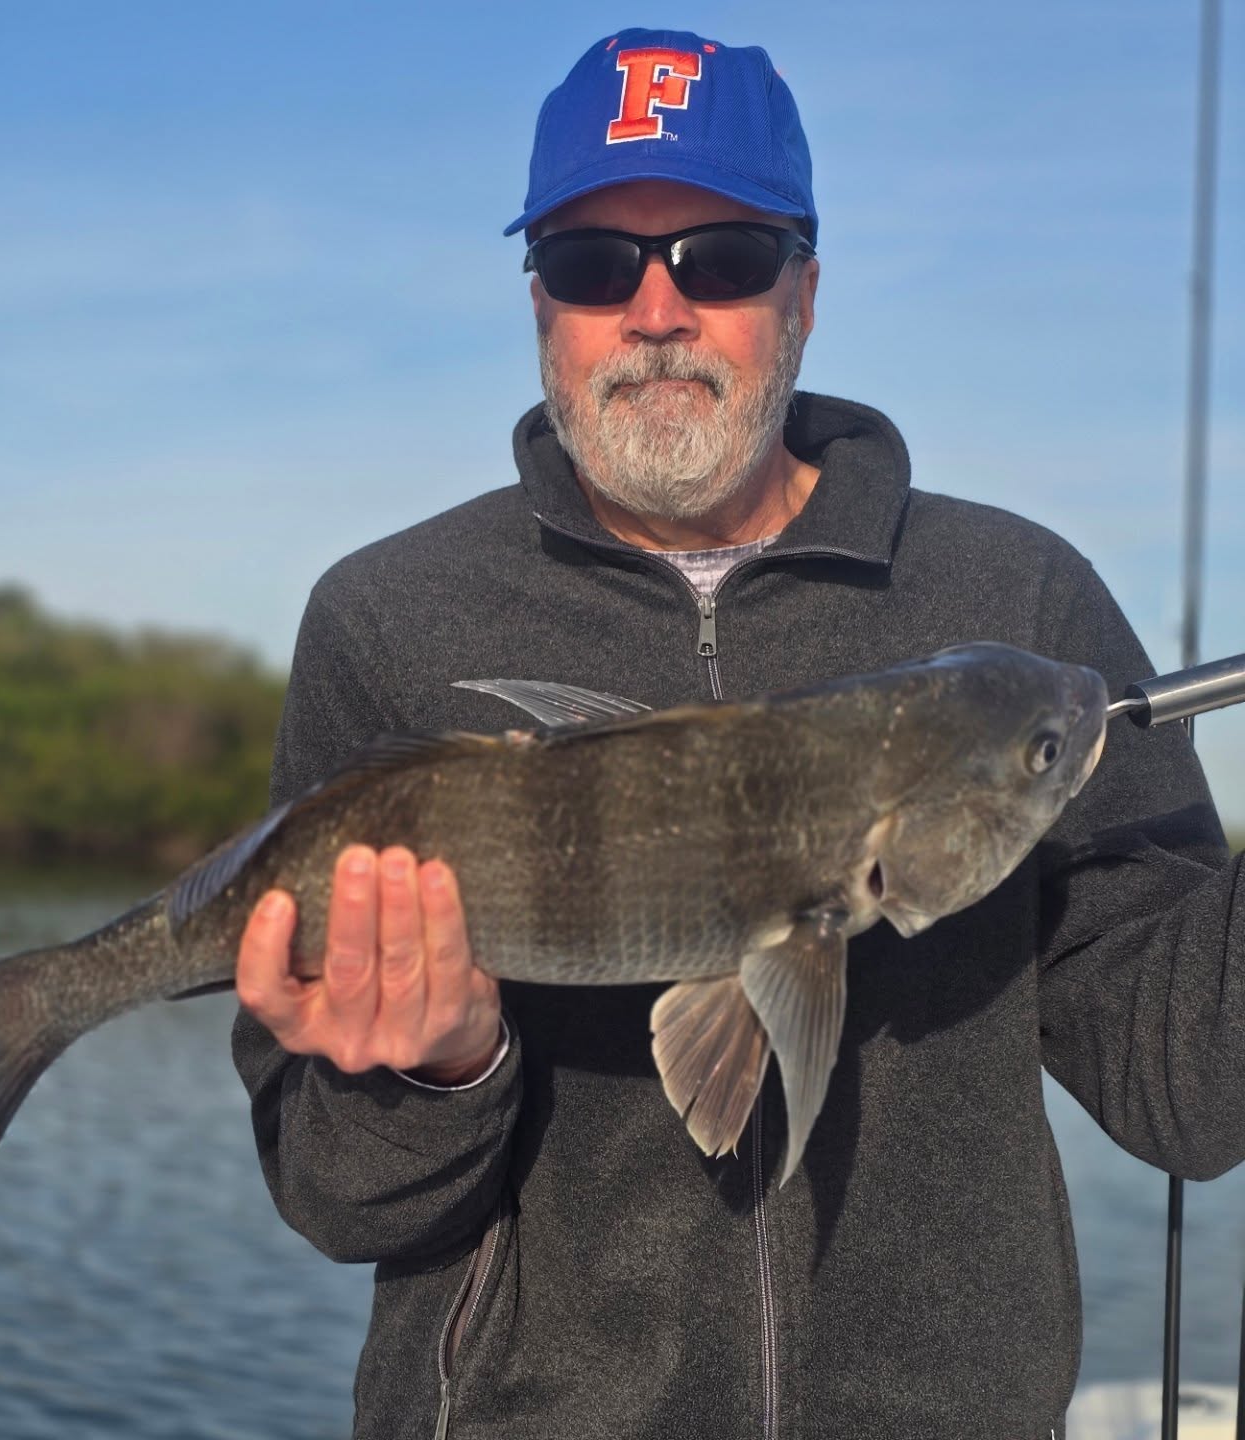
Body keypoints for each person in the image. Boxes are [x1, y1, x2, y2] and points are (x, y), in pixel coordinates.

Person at [230, 28, 1243, 1438]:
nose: (656, 310)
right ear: (540, 307)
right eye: (594, 265)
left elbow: (1192, 1092)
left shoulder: (1023, 606)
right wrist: (446, 1067)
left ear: (806, 294)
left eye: (721, 258)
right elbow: (341, 1198)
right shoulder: (388, 623)